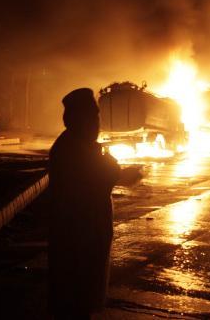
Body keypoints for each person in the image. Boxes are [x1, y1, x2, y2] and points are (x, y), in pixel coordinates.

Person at [48, 88, 141, 319]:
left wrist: (115, 172)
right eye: (93, 117)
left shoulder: (80, 146)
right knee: (75, 300)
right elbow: (88, 187)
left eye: (96, 117)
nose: (97, 123)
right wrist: (114, 171)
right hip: (79, 237)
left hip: (88, 235)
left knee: (81, 300)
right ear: (78, 118)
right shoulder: (73, 149)